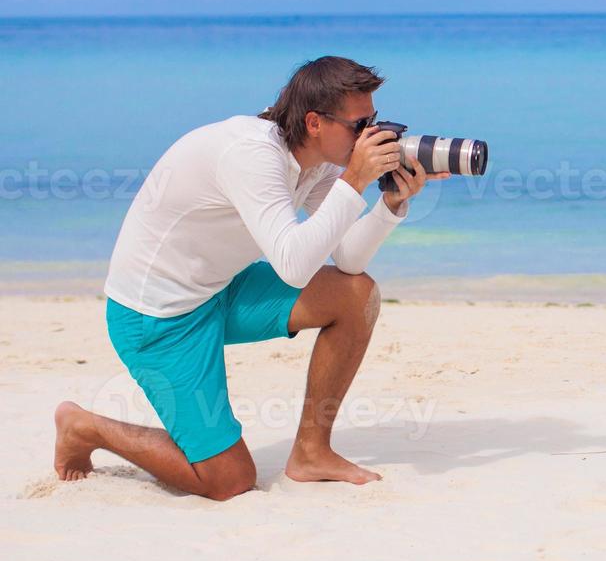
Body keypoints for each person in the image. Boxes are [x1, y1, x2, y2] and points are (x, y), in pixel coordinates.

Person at [53, 56, 446, 500]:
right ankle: (86, 427)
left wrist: (390, 205)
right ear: (315, 122)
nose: (371, 136)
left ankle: (311, 453)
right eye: (359, 125)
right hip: (158, 320)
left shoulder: (312, 157)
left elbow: (347, 259)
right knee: (229, 481)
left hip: (221, 288)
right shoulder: (252, 155)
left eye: (373, 121)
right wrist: (353, 180)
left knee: (355, 294)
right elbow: (293, 265)